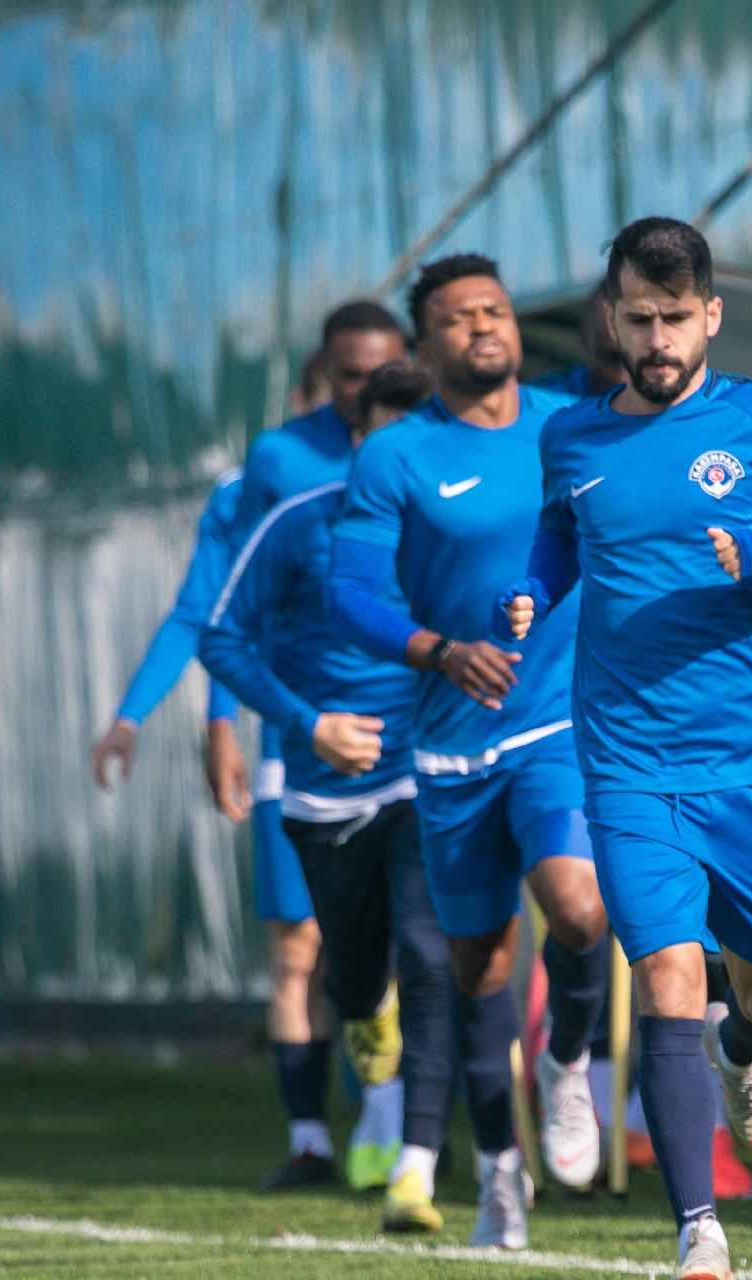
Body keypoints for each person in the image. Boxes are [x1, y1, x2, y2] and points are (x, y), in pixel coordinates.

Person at [501, 216, 752, 1280]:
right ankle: (698, 1229)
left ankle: (741, 1051)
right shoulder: (573, 437)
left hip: (750, 767)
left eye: (675, 318)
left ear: (711, 314)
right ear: (611, 319)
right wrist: (532, 589)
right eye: (639, 319)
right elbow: (560, 534)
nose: (657, 339)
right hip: (625, 762)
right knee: (667, 976)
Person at [331, 255, 610, 1249]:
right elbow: (350, 594)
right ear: (426, 342)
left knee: (579, 908)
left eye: (495, 310)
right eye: (458, 317)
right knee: (479, 966)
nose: (483, 326)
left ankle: (569, 1061)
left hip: (557, 722)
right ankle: (499, 1169)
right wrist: (438, 651)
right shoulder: (395, 456)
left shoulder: (571, 424)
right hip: (453, 749)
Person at [200, 355, 452, 1229]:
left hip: (427, 774)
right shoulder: (299, 522)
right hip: (322, 791)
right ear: (356, 441)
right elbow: (221, 640)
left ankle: (420, 1157)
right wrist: (310, 728)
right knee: (355, 976)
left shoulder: (462, 528)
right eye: (387, 443)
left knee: (430, 955)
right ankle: (370, 1071)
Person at [88, 462, 341, 1188]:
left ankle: (406, 1131)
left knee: (396, 955)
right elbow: (211, 615)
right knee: (298, 950)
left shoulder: (408, 464)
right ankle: (313, 1141)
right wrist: (205, 719)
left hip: (402, 756)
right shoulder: (254, 482)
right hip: (293, 753)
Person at [533, 284, 625, 399]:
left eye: (640, 360)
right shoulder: (547, 403)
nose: (625, 379)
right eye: (612, 360)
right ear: (584, 342)